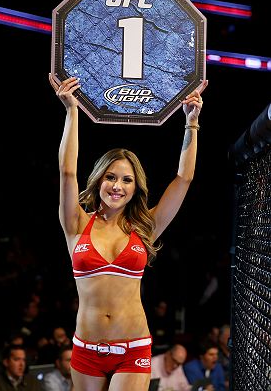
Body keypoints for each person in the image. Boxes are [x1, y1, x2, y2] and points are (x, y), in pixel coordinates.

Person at [49, 73, 207, 391]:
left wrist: (192, 122)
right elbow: (67, 171)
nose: (118, 186)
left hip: (132, 349)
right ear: (99, 180)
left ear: (136, 189)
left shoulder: (144, 227)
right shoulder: (76, 223)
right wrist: (71, 111)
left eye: (127, 180)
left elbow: (184, 179)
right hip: (86, 351)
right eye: (111, 177)